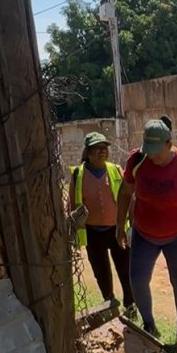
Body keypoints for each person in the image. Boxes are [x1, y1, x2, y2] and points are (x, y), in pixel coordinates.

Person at [116, 119, 177, 338]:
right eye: (149, 151)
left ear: (169, 144)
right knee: (138, 279)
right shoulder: (137, 160)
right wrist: (119, 226)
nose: (152, 156)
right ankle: (149, 325)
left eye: (157, 152)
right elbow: (124, 193)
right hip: (144, 234)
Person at [69, 132, 135, 313]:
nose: (103, 152)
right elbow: (73, 206)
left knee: (125, 269)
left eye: (105, 148)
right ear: (88, 152)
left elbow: (128, 197)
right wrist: (73, 233)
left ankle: (131, 305)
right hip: (92, 233)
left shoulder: (116, 170)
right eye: (98, 149)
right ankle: (110, 303)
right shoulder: (78, 174)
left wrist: (133, 225)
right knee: (101, 272)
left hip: (117, 230)